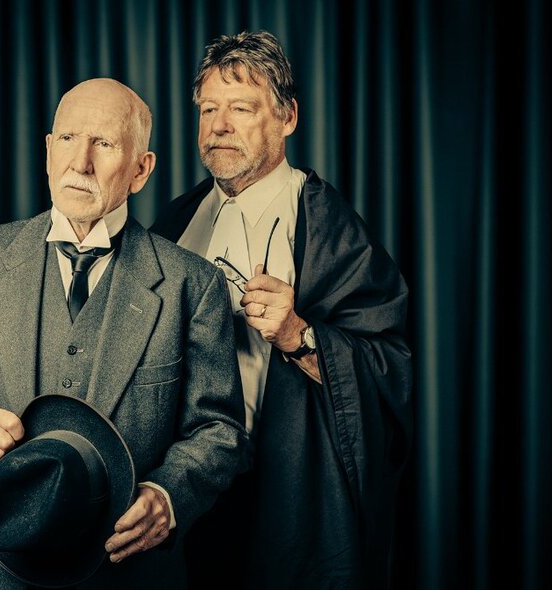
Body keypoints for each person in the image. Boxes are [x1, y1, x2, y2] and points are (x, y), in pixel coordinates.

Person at [0, 78, 247, 589]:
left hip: (129, 575)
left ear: (141, 169)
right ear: (48, 150)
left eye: (105, 144)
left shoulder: (192, 285)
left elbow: (218, 430)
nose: (80, 162)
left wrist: (167, 495)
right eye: (68, 139)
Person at [151, 31, 413, 588]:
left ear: (287, 117)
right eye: (208, 109)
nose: (218, 126)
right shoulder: (174, 224)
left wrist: (300, 335)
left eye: (240, 108)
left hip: (288, 494)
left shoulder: (328, 224)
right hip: (188, 495)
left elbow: (391, 368)